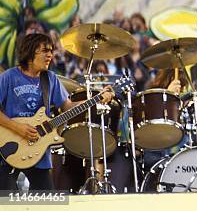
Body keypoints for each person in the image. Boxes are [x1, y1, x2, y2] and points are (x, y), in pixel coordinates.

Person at [0, 33, 114, 192]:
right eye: (45, 51)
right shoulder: (8, 77)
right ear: (30, 51)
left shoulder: (50, 79)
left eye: (51, 51)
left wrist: (96, 99)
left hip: (39, 152)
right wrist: (17, 128)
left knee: (47, 201)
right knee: (6, 201)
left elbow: (67, 106)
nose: (50, 55)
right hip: (9, 147)